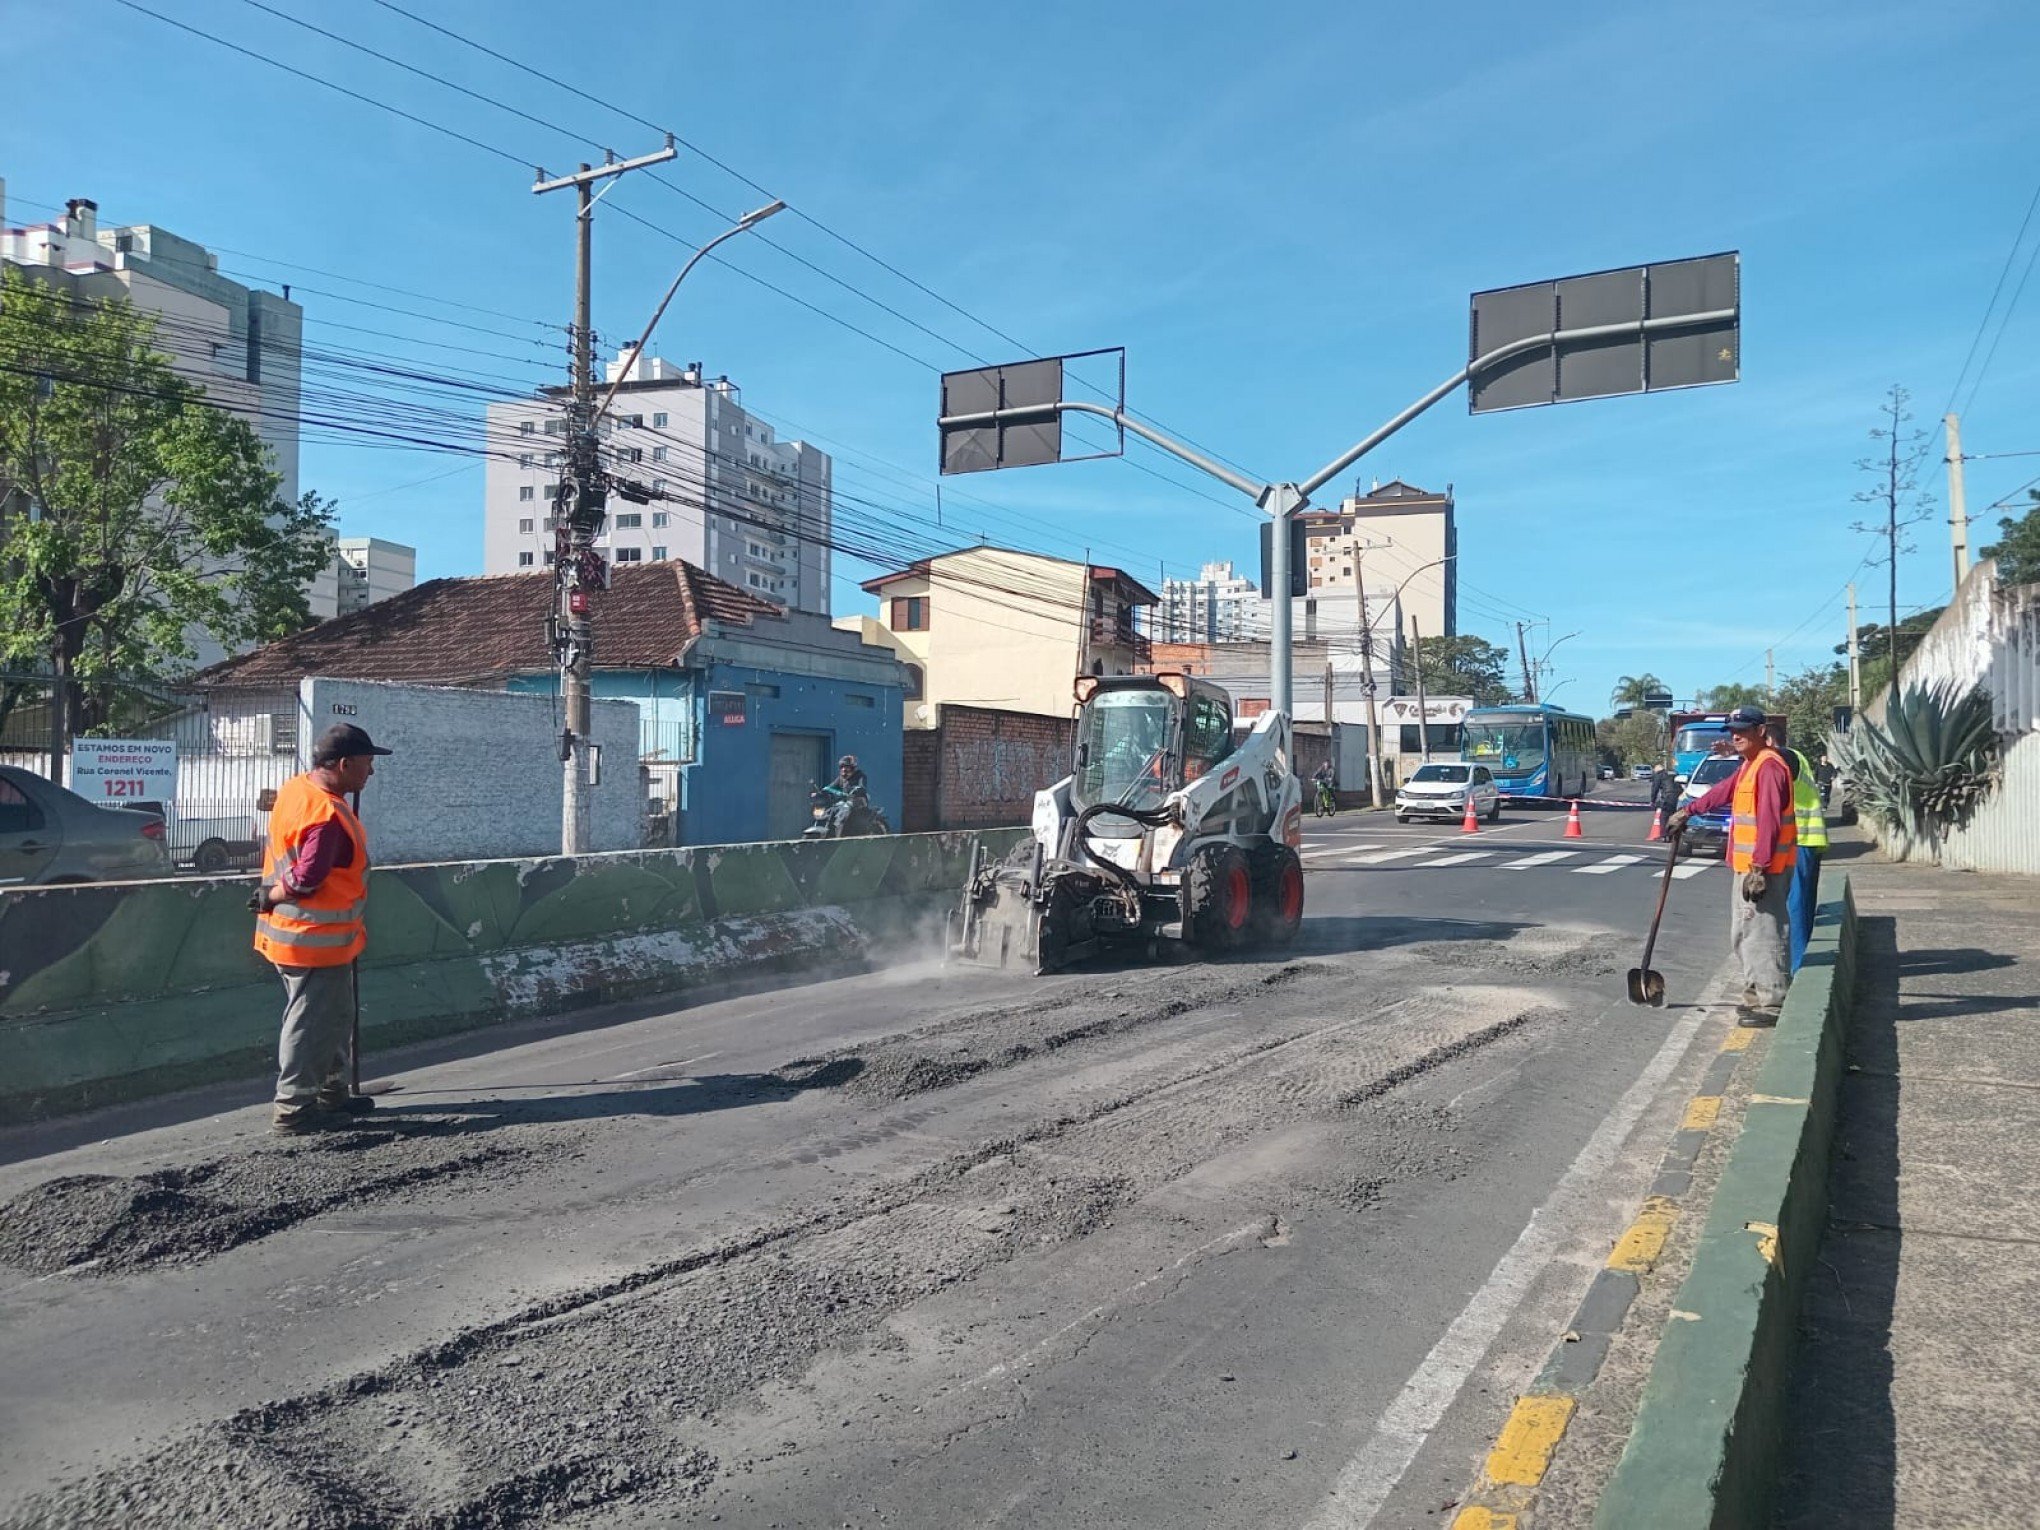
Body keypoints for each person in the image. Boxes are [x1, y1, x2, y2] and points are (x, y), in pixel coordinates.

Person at [254, 723, 390, 1134]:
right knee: (311, 1022)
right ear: (345, 764)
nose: (371, 773)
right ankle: (294, 1107)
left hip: (300, 936)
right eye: (367, 764)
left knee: (333, 1015)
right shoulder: (328, 815)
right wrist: (273, 894)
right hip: (312, 940)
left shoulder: (298, 789)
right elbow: (307, 877)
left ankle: (332, 1093)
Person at [1666, 706, 1796, 1021]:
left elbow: (1768, 822)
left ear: (1761, 731)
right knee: (1744, 933)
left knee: (1763, 932)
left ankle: (1771, 1001)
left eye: (1743, 730)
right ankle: (1755, 993)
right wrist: (1689, 810)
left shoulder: (1768, 767)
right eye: (1732, 731)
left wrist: (1759, 868)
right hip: (1748, 866)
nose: (1736, 736)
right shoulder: (1750, 765)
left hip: (1764, 870)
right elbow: (1724, 791)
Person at [1770, 724, 1829, 973]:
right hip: (1807, 840)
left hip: (1800, 840)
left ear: (1771, 741)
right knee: (1802, 905)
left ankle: (1797, 968)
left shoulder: (1786, 757)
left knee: (1795, 906)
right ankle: (1800, 964)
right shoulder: (1797, 759)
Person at [819, 754, 870, 833]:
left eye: (846, 767)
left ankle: (841, 835)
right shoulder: (841, 778)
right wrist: (821, 791)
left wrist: (857, 789)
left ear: (852, 768)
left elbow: (862, 786)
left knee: (844, 813)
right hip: (844, 802)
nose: (844, 769)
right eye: (842, 767)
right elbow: (831, 786)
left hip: (858, 803)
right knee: (830, 811)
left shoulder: (860, 776)